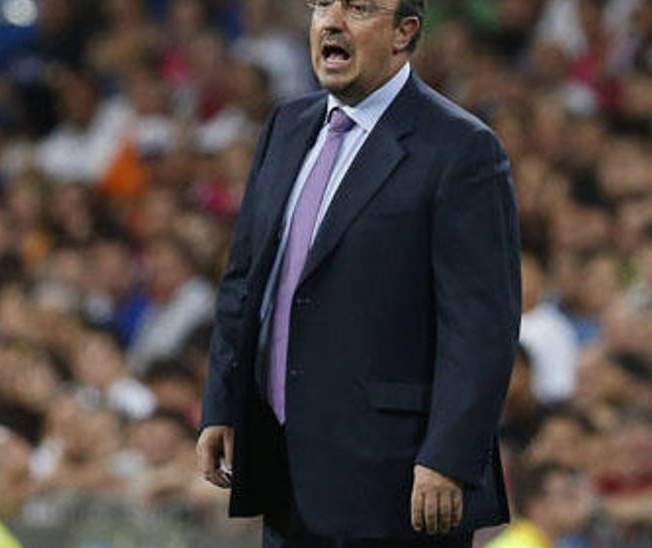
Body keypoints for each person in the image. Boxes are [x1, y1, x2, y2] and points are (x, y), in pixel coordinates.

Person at [194, 0, 521, 545]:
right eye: (321, 4)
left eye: (360, 7)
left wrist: (449, 457)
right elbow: (245, 282)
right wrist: (222, 405)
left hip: (394, 481)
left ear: (404, 32)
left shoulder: (461, 150)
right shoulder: (286, 127)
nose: (331, 21)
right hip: (284, 471)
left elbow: (481, 326)